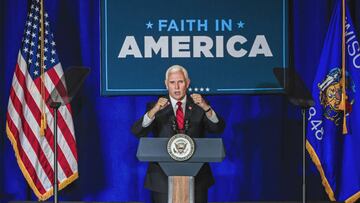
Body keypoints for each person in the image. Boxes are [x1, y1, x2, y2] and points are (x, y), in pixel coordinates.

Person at [131, 64, 225, 203]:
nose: (176, 87)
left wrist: (207, 108)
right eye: (172, 82)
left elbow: (217, 129)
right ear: (166, 84)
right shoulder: (154, 106)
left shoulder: (200, 105)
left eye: (180, 82)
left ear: (187, 83)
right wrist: (154, 111)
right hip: (161, 179)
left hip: (197, 177)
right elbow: (137, 131)